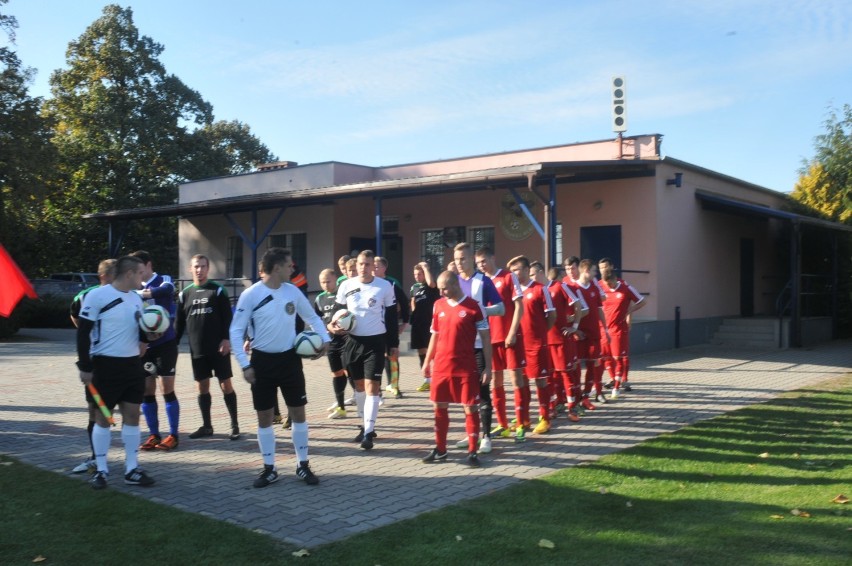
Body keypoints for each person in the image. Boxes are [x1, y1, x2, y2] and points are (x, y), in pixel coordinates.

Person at [229, 247, 330, 488]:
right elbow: (235, 330)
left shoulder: (292, 292)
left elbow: (313, 318)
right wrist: (244, 365)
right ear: (276, 268)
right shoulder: (251, 294)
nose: (292, 268)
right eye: (288, 265)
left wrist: (325, 338)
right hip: (261, 362)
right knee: (264, 417)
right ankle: (269, 468)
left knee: (298, 413)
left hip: (289, 360)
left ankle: (302, 465)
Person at [75, 255, 155, 489]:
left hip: (132, 366)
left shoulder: (137, 300)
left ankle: (132, 469)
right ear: (129, 273)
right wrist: (85, 366)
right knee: (103, 419)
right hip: (105, 366)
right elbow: (83, 332)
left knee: (132, 416)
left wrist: (149, 335)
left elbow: (141, 333)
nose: (143, 278)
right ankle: (101, 470)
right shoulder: (98, 295)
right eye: (140, 273)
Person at [421, 271, 491, 467]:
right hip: (442, 366)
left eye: (444, 288)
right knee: (439, 406)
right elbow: (434, 335)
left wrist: (488, 367)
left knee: (470, 407)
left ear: (455, 285)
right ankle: (441, 449)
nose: (441, 292)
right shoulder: (438, 305)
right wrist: (427, 362)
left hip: (465, 366)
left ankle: (472, 452)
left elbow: (486, 338)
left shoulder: (474, 306)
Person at [333, 250, 398, 450]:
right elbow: (337, 311)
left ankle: (369, 432)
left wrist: (393, 343)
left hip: (376, 343)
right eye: (361, 264)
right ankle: (364, 425)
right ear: (356, 265)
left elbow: (391, 316)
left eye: (368, 264)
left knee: (373, 387)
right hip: (352, 342)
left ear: (373, 266)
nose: (363, 267)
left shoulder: (385, 286)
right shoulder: (346, 285)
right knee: (359, 387)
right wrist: (332, 324)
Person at [175, 254, 240, 441]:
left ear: (208, 268)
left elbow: (228, 318)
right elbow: (178, 325)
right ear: (190, 269)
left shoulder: (218, 291)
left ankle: (234, 425)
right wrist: (173, 345)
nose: (199, 270)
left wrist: (226, 340)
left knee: (225, 385)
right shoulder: (184, 293)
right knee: (202, 387)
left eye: (203, 266)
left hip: (219, 349)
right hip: (197, 350)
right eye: (196, 266)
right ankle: (207, 426)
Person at [452, 242, 504, 453]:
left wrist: (480, 310)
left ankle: (486, 436)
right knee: (466, 393)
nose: (460, 263)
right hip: (459, 347)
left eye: (463, 259)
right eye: (456, 260)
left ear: (471, 258)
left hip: (479, 345)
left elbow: (501, 308)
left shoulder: (483, 282)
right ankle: (471, 432)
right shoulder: (453, 281)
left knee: (483, 391)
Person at [69, 258, 117, 474]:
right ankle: (96, 457)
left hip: (120, 362)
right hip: (94, 362)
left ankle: (126, 461)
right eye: (115, 275)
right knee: (94, 411)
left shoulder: (128, 295)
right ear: (103, 277)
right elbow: (75, 316)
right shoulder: (87, 296)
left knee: (119, 410)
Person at [474, 247, 526, 443]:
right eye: (478, 263)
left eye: (484, 261)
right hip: (490, 339)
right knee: (495, 382)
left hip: (509, 337)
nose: (481, 265)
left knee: (515, 379)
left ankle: (521, 424)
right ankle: (503, 424)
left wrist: (512, 332)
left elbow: (519, 306)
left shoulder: (508, 277)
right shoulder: (480, 281)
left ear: (492, 258)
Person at [131, 250, 181, 451]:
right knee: (146, 390)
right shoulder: (133, 286)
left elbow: (167, 290)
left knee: (166, 389)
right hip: (145, 346)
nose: (137, 274)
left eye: (139, 270)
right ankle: (153, 434)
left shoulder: (162, 279)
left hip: (165, 345)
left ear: (148, 265)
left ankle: (173, 435)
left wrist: (141, 294)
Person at [508, 255, 556, 435]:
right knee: (521, 380)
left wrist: (541, 333)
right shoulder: (511, 291)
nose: (514, 273)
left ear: (527, 270)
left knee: (541, 380)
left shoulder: (540, 289)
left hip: (536, 344)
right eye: (511, 271)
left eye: (517, 269)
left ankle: (545, 418)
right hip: (517, 344)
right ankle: (524, 419)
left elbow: (552, 316)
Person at [597, 257, 645, 399]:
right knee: (606, 356)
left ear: (612, 267)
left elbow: (631, 302)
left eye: (606, 267)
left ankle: (624, 379)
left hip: (618, 327)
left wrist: (629, 315)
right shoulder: (598, 285)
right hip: (603, 328)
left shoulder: (623, 285)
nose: (603, 270)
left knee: (621, 356)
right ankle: (613, 378)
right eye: (601, 268)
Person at [544, 266, 588, 422]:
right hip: (545, 341)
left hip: (561, 339)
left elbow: (579, 306)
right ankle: (555, 405)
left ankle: (572, 408)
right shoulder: (541, 289)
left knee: (566, 373)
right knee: (550, 376)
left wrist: (574, 327)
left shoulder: (561, 286)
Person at [570, 259, 610, 408]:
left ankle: (586, 396)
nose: (596, 274)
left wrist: (605, 329)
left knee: (593, 364)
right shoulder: (572, 288)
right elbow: (569, 313)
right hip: (579, 335)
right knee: (576, 366)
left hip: (594, 334)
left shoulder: (594, 286)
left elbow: (600, 309)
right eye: (594, 271)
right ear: (586, 270)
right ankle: (576, 396)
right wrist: (575, 329)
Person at [314, 268, 349, 419]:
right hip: (332, 341)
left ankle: (360, 398)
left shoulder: (342, 296)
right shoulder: (319, 299)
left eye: (328, 281)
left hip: (347, 340)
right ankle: (341, 406)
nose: (326, 284)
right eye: (323, 282)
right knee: (336, 374)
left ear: (335, 279)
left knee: (350, 373)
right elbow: (316, 319)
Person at [375, 255, 410, 398]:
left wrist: (405, 322)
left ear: (384, 268)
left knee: (392, 355)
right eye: (373, 266)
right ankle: (377, 389)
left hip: (390, 326)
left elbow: (403, 302)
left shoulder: (392, 283)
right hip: (374, 327)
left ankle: (394, 385)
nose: (374, 269)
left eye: (377, 266)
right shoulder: (368, 284)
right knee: (377, 357)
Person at [410, 262, 439, 392]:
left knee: (433, 352)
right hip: (418, 323)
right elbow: (413, 301)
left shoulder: (431, 285)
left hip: (429, 322)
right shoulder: (414, 287)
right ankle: (427, 380)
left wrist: (426, 268)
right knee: (421, 351)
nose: (417, 277)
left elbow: (432, 283)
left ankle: (438, 378)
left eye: (420, 274)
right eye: (415, 274)